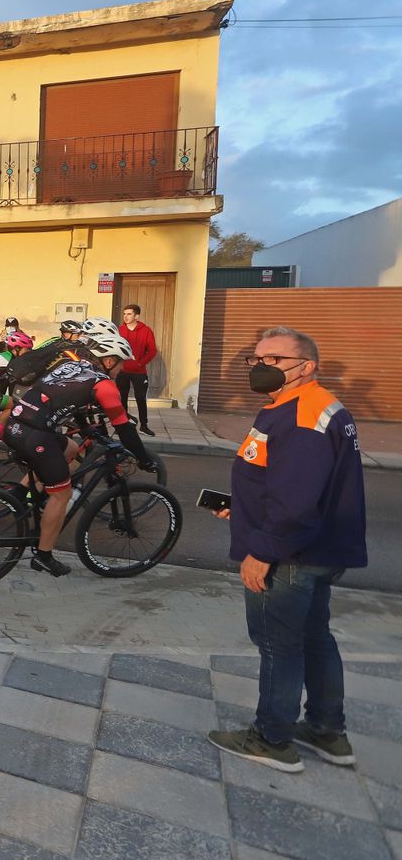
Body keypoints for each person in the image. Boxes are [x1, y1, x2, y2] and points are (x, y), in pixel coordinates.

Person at [207, 327, 366, 774]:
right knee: (315, 639)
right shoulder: (296, 406)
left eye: (274, 359)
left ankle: (272, 738)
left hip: (290, 555)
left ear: (306, 366)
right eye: (256, 358)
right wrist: (243, 509)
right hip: (314, 549)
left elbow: (296, 501)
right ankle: (326, 730)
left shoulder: (305, 415)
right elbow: (286, 481)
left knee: (279, 646)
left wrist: (263, 550)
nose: (261, 366)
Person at [0, 335, 156, 577]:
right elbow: (125, 429)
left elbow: (69, 402)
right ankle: (43, 555)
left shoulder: (75, 367)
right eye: (121, 364)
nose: (122, 370)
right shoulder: (105, 386)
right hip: (35, 435)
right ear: (110, 360)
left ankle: (20, 496)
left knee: (71, 449)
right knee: (61, 495)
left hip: (15, 426)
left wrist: (86, 429)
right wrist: (144, 459)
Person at [118, 304, 159, 436]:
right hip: (122, 371)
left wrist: (141, 363)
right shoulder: (120, 330)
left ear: (136, 316)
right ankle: (123, 426)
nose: (126, 316)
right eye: (124, 314)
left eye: (129, 314)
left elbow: (152, 351)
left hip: (139, 372)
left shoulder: (146, 330)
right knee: (121, 398)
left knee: (140, 399)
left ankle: (144, 426)